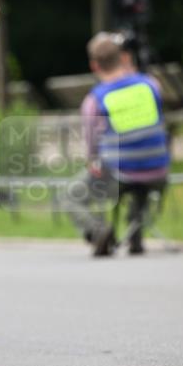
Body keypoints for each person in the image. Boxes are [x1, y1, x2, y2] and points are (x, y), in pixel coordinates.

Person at [67, 31, 169, 256]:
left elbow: (92, 148)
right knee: (139, 174)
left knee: (70, 194)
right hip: (159, 172)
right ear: (124, 57)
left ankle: (98, 230)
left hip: (121, 174)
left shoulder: (95, 99)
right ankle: (135, 236)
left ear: (94, 65)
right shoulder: (151, 85)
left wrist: (92, 163)